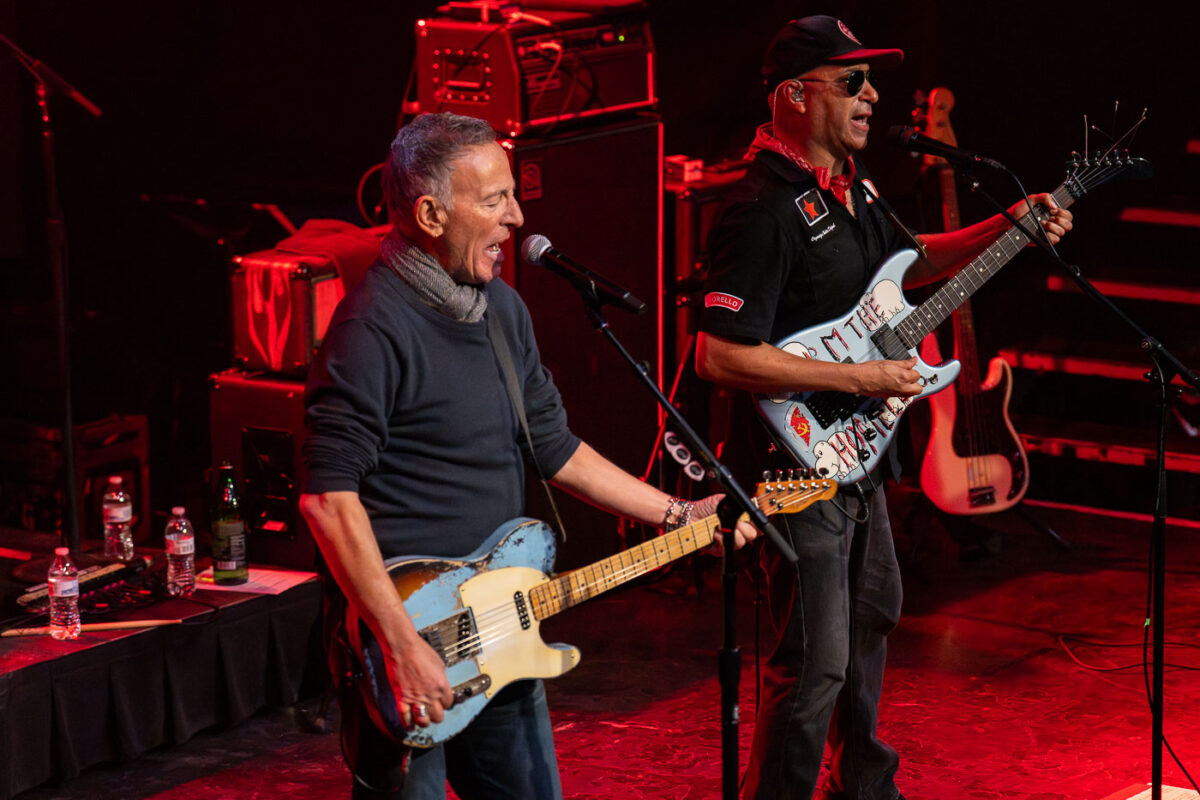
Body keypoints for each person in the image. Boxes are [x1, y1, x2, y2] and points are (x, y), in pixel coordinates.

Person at [299, 111, 757, 799]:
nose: (516, 217)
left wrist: (682, 513)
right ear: (429, 213)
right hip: (409, 640)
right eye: (493, 201)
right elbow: (327, 500)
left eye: (512, 195)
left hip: (501, 620)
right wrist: (401, 644)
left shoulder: (501, 309)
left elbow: (554, 447)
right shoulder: (371, 328)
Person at [694, 16, 1072, 800]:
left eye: (872, 81)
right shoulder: (760, 210)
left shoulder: (852, 187)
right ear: (795, 98)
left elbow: (917, 260)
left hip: (858, 455)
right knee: (815, 661)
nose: (872, 96)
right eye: (852, 82)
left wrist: (1011, 228)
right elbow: (720, 355)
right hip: (792, 467)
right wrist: (864, 383)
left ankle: (864, 786)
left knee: (874, 613)